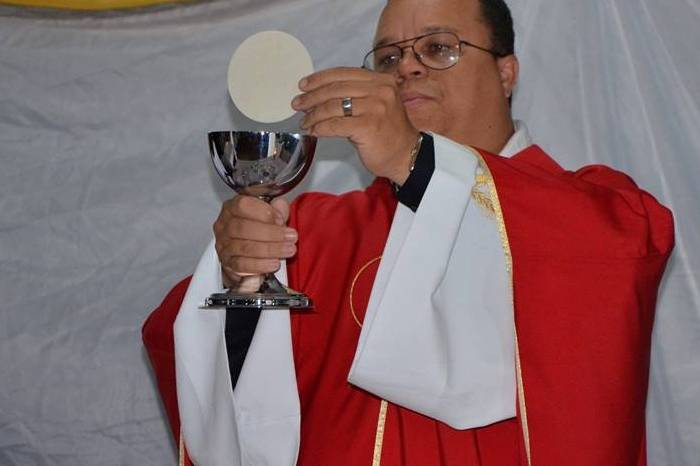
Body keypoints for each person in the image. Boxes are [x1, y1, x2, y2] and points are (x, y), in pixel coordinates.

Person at [142, 0, 674, 464]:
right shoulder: (315, 230)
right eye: (390, 57)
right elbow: (211, 376)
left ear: (507, 72)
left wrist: (416, 161)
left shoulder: (592, 211)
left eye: (439, 48)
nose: (408, 70)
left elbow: (618, 259)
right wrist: (240, 274)